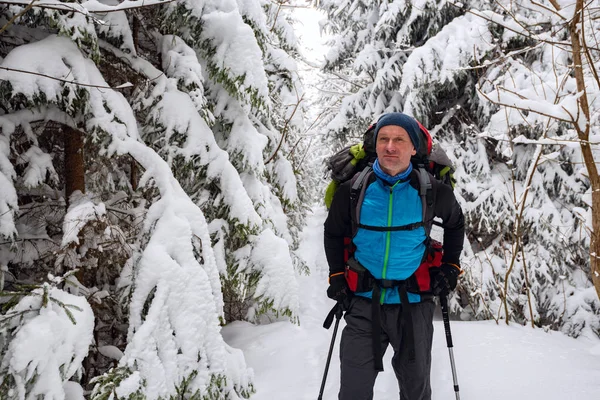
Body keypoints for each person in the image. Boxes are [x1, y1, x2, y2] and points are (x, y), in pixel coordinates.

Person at [323, 112, 465, 400]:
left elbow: (455, 224)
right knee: (353, 392)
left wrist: (450, 267)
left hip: (414, 304)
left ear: (413, 148)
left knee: (416, 392)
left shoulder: (430, 190)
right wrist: (337, 275)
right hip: (363, 302)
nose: (390, 146)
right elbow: (333, 232)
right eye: (384, 139)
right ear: (375, 145)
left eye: (399, 139)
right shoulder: (353, 190)